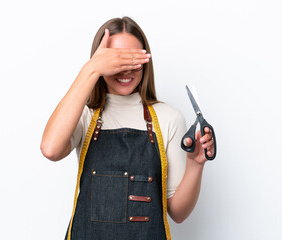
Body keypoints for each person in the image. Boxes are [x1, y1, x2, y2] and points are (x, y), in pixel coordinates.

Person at [40, 16, 215, 240]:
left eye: (134, 59)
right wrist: (91, 69)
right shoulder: (83, 115)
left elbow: (178, 213)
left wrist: (195, 164)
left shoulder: (168, 118)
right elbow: (50, 149)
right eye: (117, 60)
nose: (126, 69)